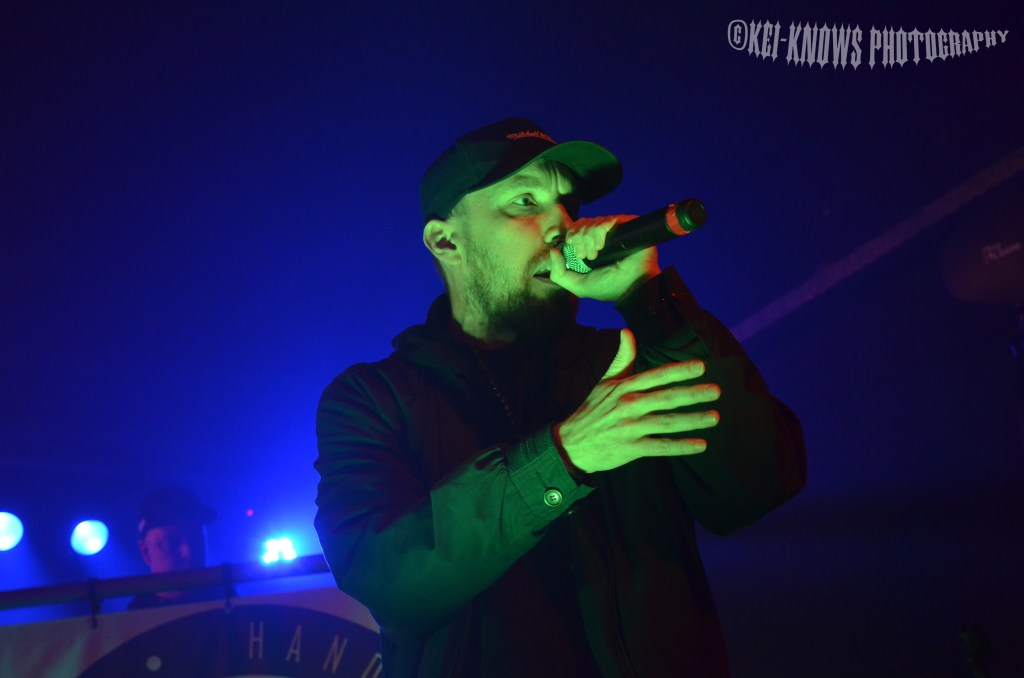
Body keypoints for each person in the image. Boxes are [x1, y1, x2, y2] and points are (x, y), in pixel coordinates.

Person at [314, 118, 807, 676]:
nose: (561, 226)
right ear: (446, 240)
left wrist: (647, 297)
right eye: (526, 202)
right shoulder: (373, 398)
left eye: (568, 205)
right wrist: (564, 456)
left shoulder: (624, 358)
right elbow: (382, 578)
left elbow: (761, 483)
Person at [127, 485, 220, 610]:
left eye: (196, 539)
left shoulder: (234, 608)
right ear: (146, 552)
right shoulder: (133, 621)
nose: (187, 552)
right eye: (172, 543)